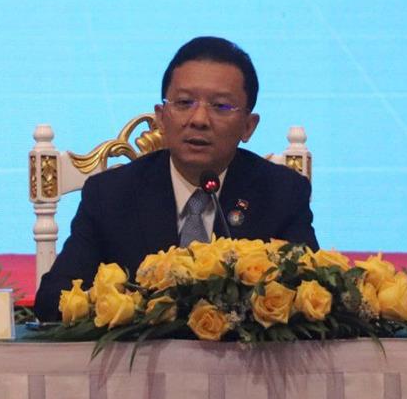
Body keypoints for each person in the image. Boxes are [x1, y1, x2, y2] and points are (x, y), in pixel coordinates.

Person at [34, 36, 319, 321]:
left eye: (221, 106)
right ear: (161, 117)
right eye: (184, 102)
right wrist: (126, 309)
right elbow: (52, 300)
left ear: (248, 126)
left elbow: (313, 298)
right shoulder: (111, 194)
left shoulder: (281, 194)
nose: (199, 119)